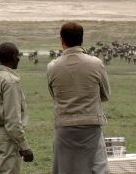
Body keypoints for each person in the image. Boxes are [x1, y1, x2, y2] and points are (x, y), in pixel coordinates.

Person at [46, 22, 110, 174]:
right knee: (97, 168)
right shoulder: (96, 64)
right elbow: (105, 94)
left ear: (62, 40)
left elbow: (54, 96)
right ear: (82, 39)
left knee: (64, 168)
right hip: (91, 126)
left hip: (64, 127)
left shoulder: (53, 67)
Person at [0, 42, 34, 174]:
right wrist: (24, 146)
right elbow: (12, 119)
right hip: (7, 135)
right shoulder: (10, 81)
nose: (19, 59)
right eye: (17, 56)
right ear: (12, 56)